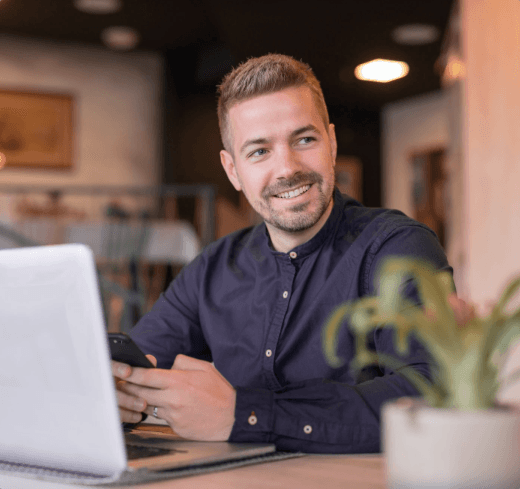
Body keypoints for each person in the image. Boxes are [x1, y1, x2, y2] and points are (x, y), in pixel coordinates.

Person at [113, 54, 457, 453]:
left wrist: (248, 413)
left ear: (331, 141)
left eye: (304, 139)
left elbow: (430, 391)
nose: (287, 168)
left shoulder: (397, 247)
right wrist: (123, 395)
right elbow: (139, 364)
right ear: (232, 170)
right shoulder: (212, 267)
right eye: (259, 152)